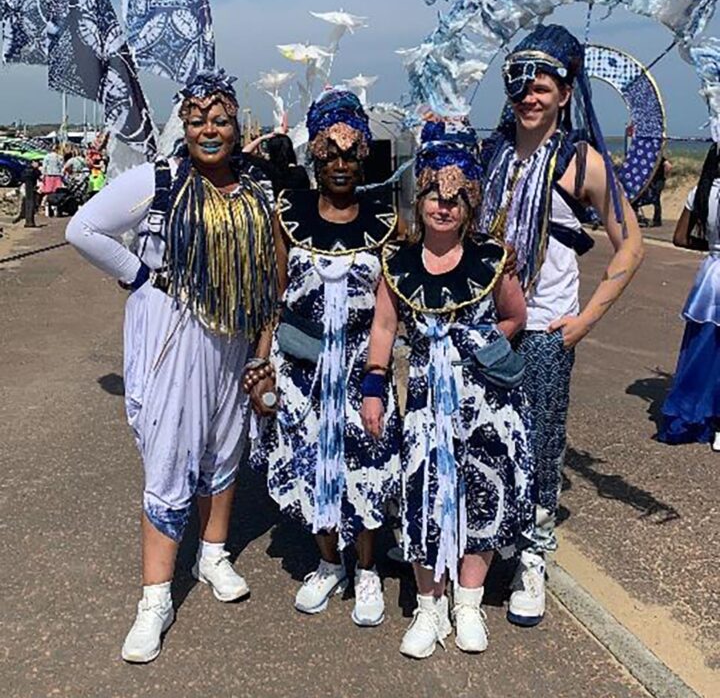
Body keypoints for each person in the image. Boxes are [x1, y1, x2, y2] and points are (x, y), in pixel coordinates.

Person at [66, 70, 279, 664]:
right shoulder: (157, 181)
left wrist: (262, 349)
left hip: (232, 340)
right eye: (197, 119)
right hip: (173, 336)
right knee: (168, 455)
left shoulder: (253, 190)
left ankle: (213, 553)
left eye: (221, 119)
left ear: (238, 126)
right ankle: (155, 597)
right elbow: (81, 228)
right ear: (182, 125)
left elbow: (266, 271)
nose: (209, 130)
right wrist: (139, 276)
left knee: (223, 446)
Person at [478, 24, 644, 627]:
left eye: (541, 84)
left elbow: (631, 247)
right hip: (488, 324)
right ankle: (478, 529)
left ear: (566, 92)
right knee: (485, 436)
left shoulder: (583, 163)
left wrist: (584, 322)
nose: (528, 95)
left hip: (548, 330)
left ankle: (531, 559)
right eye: (519, 83)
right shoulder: (491, 153)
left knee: (541, 443)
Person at [362, 120, 531, 658]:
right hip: (425, 410)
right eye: (435, 192)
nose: (444, 205)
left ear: (471, 202)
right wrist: (372, 388)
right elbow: (384, 328)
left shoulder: (492, 259)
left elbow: (516, 317)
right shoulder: (399, 261)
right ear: (421, 196)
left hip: (485, 404)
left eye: (457, 197)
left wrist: (476, 341)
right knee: (422, 501)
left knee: (482, 498)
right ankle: (429, 608)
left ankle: (469, 602)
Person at [254, 89, 400, 627]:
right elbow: (274, 298)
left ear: (364, 154)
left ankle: (366, 571)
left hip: (364, 375)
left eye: (349, 153)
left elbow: (404, 297)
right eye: (328, 153)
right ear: (313, 156)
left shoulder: (387, 221)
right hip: (302, 375)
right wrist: (261, 364)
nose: (339, 164)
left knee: (365, 468)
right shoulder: (286, 216)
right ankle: (327, 562)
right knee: (312, 465)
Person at [659, 144, 720, 450]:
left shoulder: (701, 191)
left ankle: (690, 415)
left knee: (702, 348)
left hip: (712, 275)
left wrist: (712, 249)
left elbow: (680, 237)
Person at [243, 129, 310, 199]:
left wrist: (262, 138)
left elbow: (244, 153)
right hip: (296, 208)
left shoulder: (266, 168)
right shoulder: (300, 172)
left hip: (275, 208)